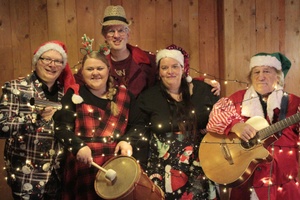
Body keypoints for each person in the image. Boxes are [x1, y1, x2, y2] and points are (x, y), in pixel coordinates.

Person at [206, 52, 300, 200]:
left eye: (267, 71)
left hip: (283, 185)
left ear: (278, 76)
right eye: (256, 72)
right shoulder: (237, 99)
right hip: (245, 182)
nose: (260, 76)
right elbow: (215, 118)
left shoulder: (294, 103)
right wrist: (235, 126)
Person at [53, 48, 143, 199]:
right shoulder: (74, 94)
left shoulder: (124, 95)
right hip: (82, 165)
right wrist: (78, 146)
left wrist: (127, 141)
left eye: (100, 68)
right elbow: (61, 127)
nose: (95, 72)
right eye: (90, 69)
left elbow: (139, 124)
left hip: (115, 166)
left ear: (108, 70)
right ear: (82, 72)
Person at [74, 5, 221, 98]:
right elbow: (77, 81)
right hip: (112, 123)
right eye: (111, 31)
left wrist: (203, 82)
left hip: (143, 121)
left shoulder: (147, 60)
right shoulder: (98, 63)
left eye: (121, 30)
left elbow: (172, 75)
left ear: (128, 33)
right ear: (105, 36)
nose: (116, 36)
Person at [136, 47, 219, 199]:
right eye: (164, 67)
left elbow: (221, 115)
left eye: (175, 66)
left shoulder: (202, 90)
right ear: (159, 73)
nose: (170, 71)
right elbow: (138, 127)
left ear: (183, 68)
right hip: (164, 168)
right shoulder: (148, 97)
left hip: (200, 164)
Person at [0, 41, 75, 199]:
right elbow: (2, 127)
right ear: (36, 61)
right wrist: (35, 118)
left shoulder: (67, 92)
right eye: (46, 59)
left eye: (58, 61)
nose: (52, 65)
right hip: (27, 177)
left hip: (59, 175)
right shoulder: (16, 88)